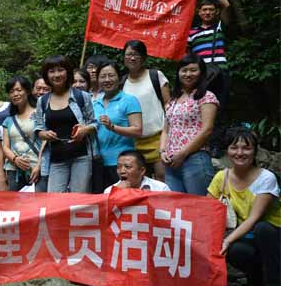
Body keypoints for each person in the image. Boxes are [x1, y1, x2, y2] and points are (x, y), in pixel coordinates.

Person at [207, 127, 280, 286]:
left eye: (246, 148)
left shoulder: (266, 178)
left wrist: (227, 240)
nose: (240, 153)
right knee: (235, 250)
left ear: (255, 151)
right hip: (248, 236)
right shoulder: (221, 177)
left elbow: (254, 219)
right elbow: (206, 211)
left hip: (273, 235)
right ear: (227, 150)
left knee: (262, 229)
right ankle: (256, 282)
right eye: (234, 147)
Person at [32, 55, 97, 193]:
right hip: (56, 159)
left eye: (60, 70)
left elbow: (94, 124)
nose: (56, 75)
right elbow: (38, 128)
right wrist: (44, 134)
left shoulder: (81, 96)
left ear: (67, 72)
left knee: (78, 199)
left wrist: (84, 130)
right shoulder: (42, 101)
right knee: (54, 199)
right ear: (46, 75)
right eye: (51, 71)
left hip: (81, 157)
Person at [160, 54, 218, 195]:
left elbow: (207, 129)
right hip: (171, 162)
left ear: (201, 73)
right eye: (184, 70)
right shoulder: (173, 99)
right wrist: (162, 151)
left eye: (193, 70)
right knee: (176, 206)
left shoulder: (207, 96)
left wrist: (183, 153)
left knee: (199, 205)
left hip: (195, 158)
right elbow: (166, 130)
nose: (188, 74)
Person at [187, 0, 231, 158]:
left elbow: (226, 5)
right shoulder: (191, 33)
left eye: (211, 10)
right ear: (199, 12)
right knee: (200, 109)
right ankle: (201, 143)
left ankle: (216, 146)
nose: (207, 12)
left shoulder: (219, 27)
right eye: (204, 10)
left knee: (219, 109)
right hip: (201, 75)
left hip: (220, 73)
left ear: (215, 12)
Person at [121, 40, 170, 181]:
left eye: (136, 54)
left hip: (159, 137)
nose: (132, 58)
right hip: (133, 142)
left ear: (143, 57)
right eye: (129, 54)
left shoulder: (156, 76)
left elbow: (168, 105)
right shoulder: (122, 82)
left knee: (162, 177)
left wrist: (169, 132)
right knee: (138, 182)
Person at [93, 61, 143, 190]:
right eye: (102, 76)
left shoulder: (129, 100)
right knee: (101, 199)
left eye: (111, 75)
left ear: (119, 78)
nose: (107, 80)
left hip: (121, 165)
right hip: (98, 163)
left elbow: (138, 130)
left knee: (121, 199)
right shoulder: (94, 102)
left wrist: (113, 127)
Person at [2, 76, 41, 191]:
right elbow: (5, 147)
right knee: (15, 201)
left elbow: (45, 142)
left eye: (19, 90)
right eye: (11, 91)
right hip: (14, 169)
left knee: (40, 200)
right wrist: (15, 159)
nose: (15, 94)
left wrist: (39, 165)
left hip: (35, 167)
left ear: (28, 91)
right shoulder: (8, 120)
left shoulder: (39, 114)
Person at [104, 150, 170, 194]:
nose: (122, 171)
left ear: (142, 171)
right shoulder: (109, 191)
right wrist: (117, 193)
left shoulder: (160, 189)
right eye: (119, 167)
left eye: (127, 167)